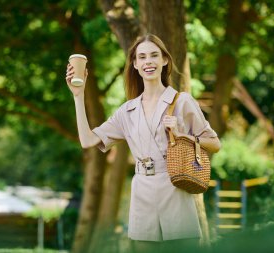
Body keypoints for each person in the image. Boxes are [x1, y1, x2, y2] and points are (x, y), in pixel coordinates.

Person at [65, 34, 221, 253]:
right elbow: (87, 140)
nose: (148, 62)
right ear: (135, 64)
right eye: (142, 57)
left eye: (154, 55)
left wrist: (182, 135)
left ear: (165, 60)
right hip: (143, 194)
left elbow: (215, 143)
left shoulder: (182, 101)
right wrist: (78, 96)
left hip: (175, 190)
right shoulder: (127, 110)